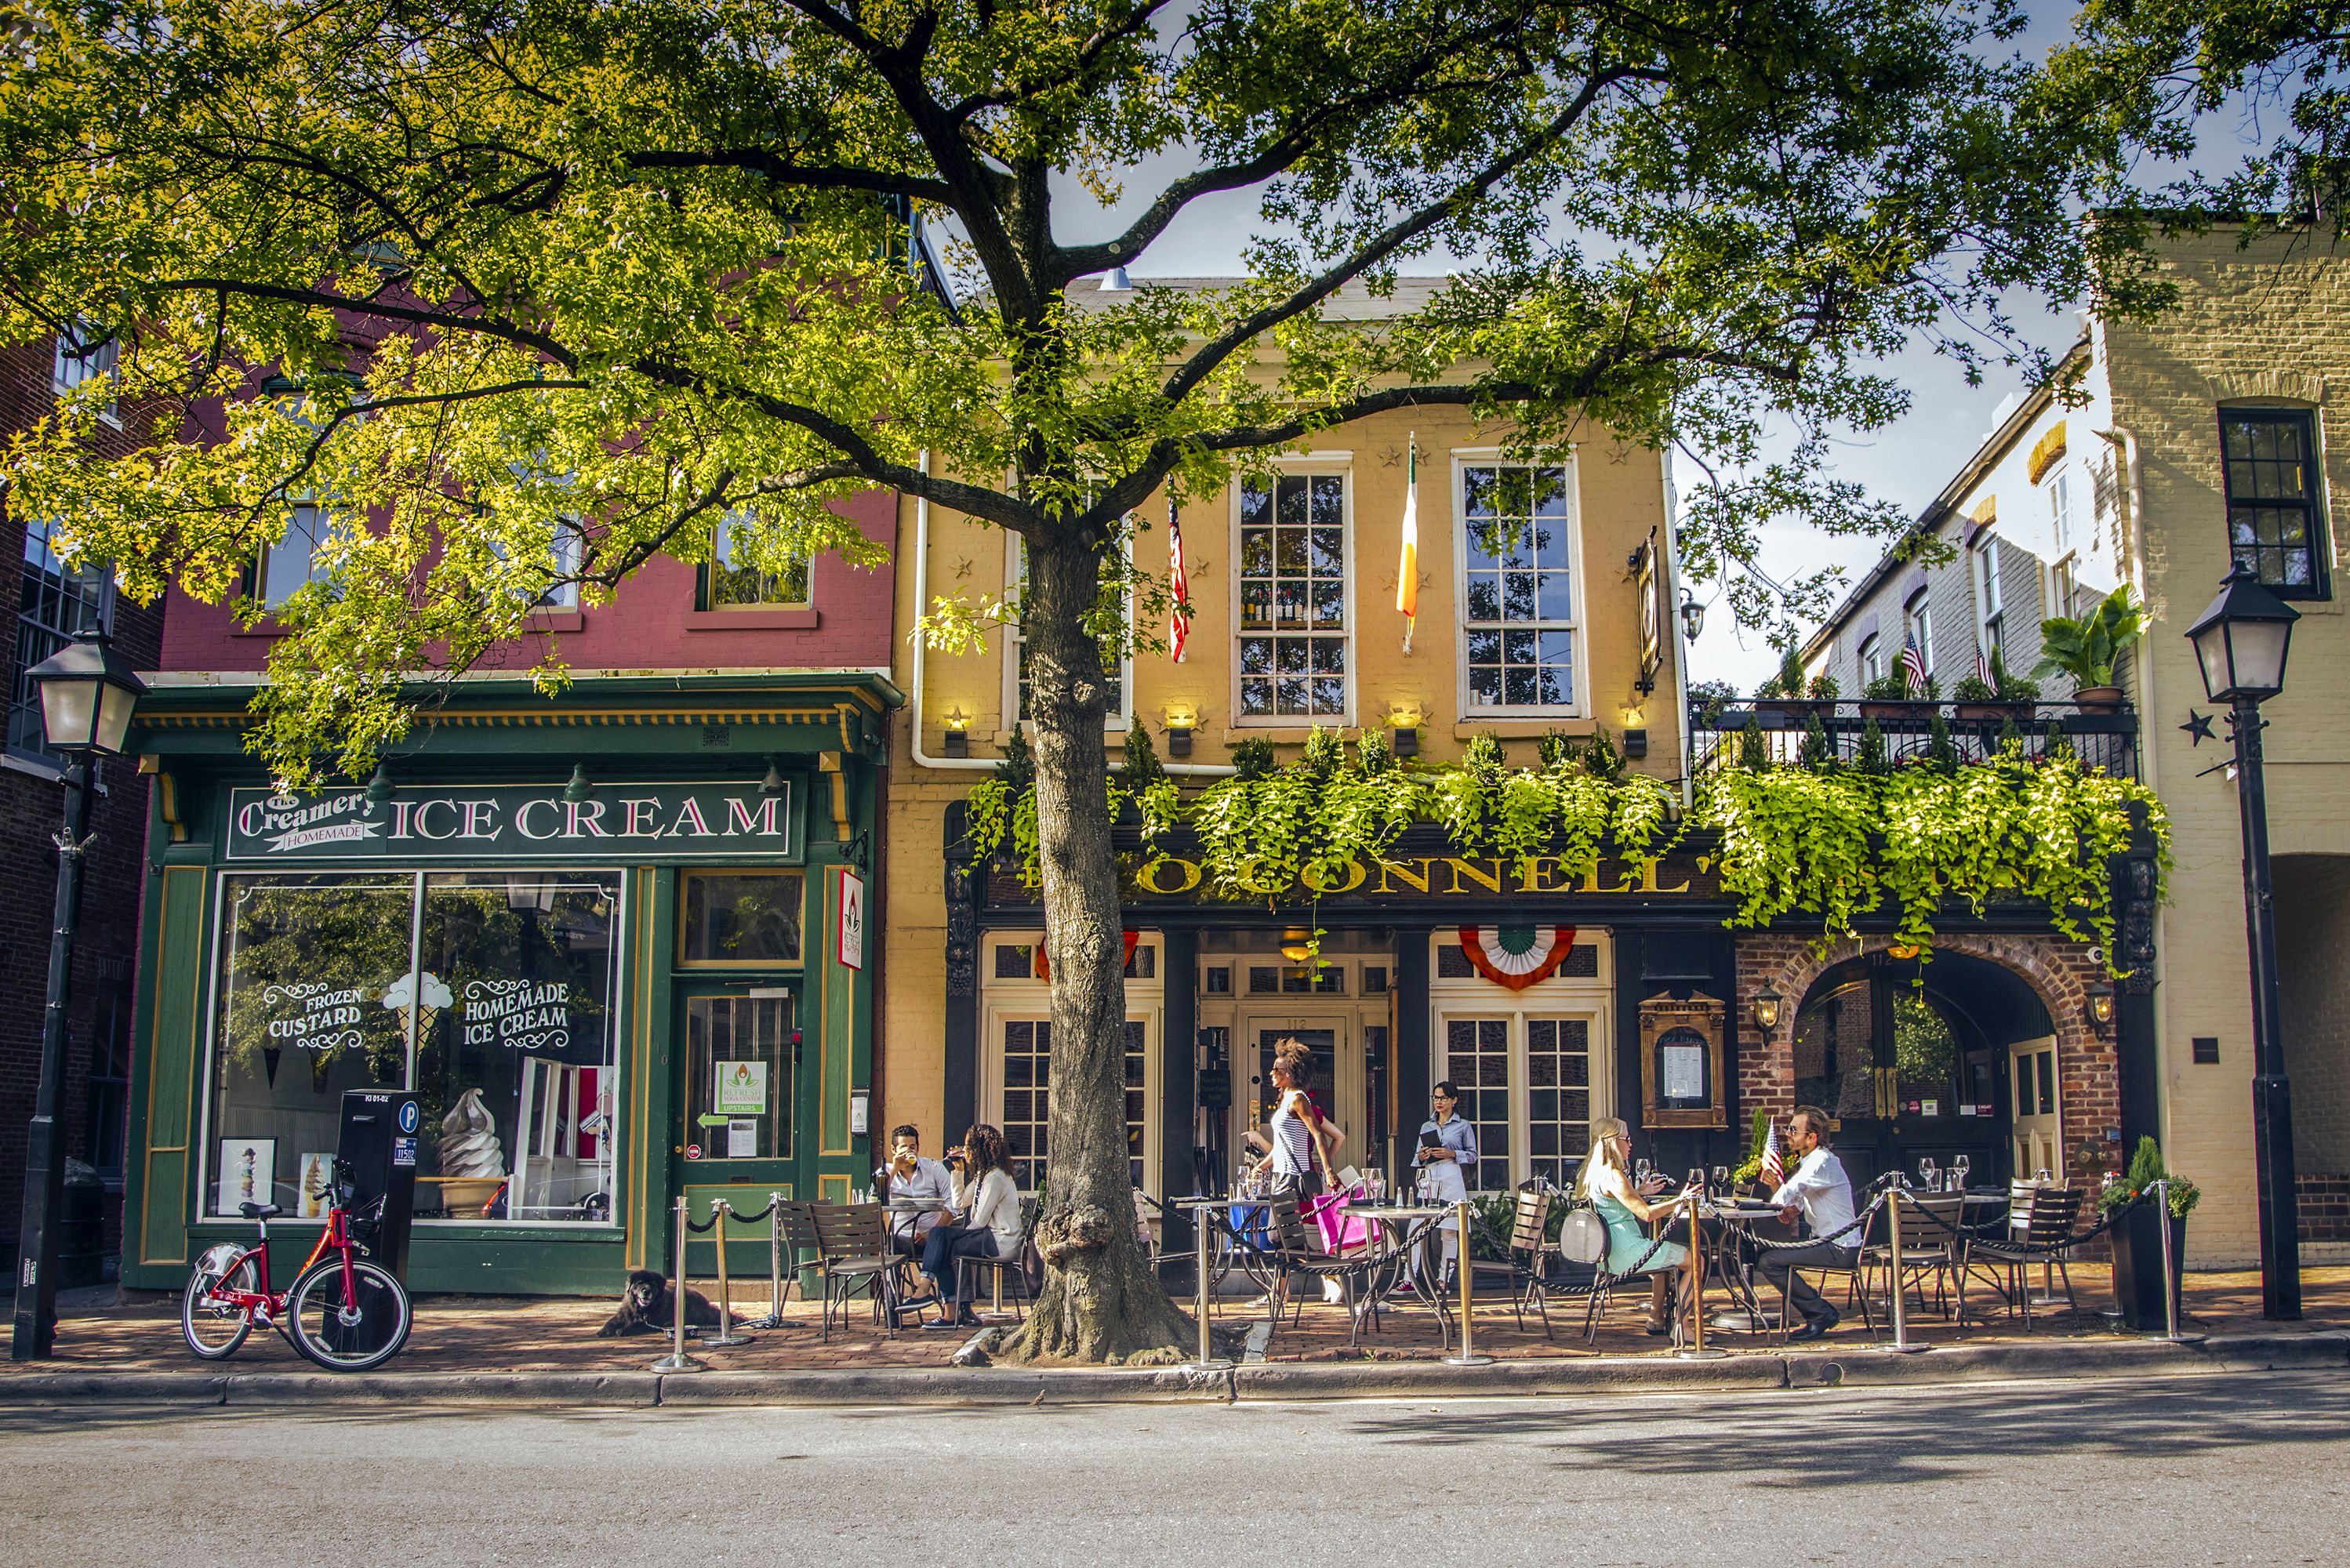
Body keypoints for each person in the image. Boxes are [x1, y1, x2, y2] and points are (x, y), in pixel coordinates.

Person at [1575, 1116, 1692, 1337]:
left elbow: (1614, 1204)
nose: (1631, 1144)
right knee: (1696, 1262)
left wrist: (1641, 1192)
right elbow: (1646, 1214)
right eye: (1627, 1139)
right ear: (1612, 1141)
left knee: (1664, 1258)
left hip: (1606, 1254)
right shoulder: (1614, 1175)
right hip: (1627, 1252)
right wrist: (1682, 1200)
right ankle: (1683, 1327)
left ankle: (1656, 1318)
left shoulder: (1592, 1173)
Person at [1753, 1105, 1859, 1342]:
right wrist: (1780, 1198)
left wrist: (1771, 1203)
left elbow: (1791, 1191)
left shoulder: (1821, 1162)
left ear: (1811, 1137)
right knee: (1769, 1256)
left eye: (1793, 1129)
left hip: (1839, 1248)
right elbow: (1795, 1205)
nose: (1788, 1134)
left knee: (1769, 1261)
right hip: (1828, 1243)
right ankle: (1819, 1311)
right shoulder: (1812, 1162)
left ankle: (1820, 1314)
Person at [921, 1123, 1022, 1331]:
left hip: (1000, 1242)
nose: (964, 1150)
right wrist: (957, 1172)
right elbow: (959, 1203)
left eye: (967, 1146)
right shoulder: (983, 1176)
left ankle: (943, 1303)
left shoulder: (995, 1178)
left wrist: (954, 1238)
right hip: (989, 1238)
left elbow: (980, 1221)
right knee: (944, 1241)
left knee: (942, 1238)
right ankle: (961, 1310)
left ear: (978, 1149)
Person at [1250, 1040, 1338, 1200]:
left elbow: (1318, 1134)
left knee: (1282, 1223)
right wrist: (1260, 1168)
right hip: (1281, 1175)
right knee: (1281, 1224)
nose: (1271, 1073)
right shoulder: (1286, 1100)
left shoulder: (1298, 1099)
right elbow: (1281, 1148)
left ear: (1290, 1072)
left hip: (1292, 1177)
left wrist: (1329, 1171)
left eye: (1276, 1069)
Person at [1413, 1081, 1479, 1283]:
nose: (1438, 1102)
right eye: (1435, 1098)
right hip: (1430, 1175)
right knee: (1415, 1230)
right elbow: (1417, 1158)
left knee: (1449, 1232)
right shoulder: (1427, 1126)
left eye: (1443, 1098)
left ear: (1454, 1100)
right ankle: (1409, 1278)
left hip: (1451, 1173)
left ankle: (1444, 1279)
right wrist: (1423, 1156)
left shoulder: (1463, 1125)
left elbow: (1473, 1156)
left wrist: (1452, 1153)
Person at [875, 1124, 953, 1258]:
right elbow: (874, 1201)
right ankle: (891, 1280)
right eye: (903, 1147)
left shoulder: (934, 1168)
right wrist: (894, 1170)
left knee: (948, 1247)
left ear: (918, 1148)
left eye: (912, 1147)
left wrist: (932, 1233)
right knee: (890, 1244)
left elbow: (953, 1204)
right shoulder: (885, 1172)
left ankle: (932, 1278)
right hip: (901, 1237)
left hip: (933, 1235)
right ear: (894, 1150)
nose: (908, 1151)